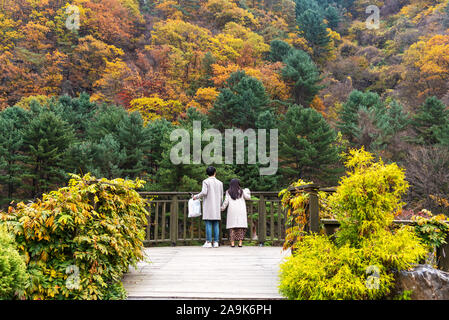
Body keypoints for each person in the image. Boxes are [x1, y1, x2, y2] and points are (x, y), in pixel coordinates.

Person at [193, 166, 223, 248]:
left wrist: (196, 196)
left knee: (208, 223)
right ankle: (216, 242)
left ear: (207, 173)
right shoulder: (220, 183)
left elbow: (204, 192)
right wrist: (220, 205)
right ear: (215, 172)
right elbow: (221, 196)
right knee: (216, 223)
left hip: (208, 205)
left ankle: (209, 242)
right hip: (216, 206)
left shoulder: (205, 181)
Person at [220, 179, 251, 247]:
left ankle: (232, 243)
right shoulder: (241, 191)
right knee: (240, 227)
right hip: (241, 211)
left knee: (232, 228)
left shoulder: (228, 192)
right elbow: (248, 197)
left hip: (232, 211)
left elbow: (226, 202)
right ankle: (240, 243)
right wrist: (247, 190)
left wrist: (222, 208)